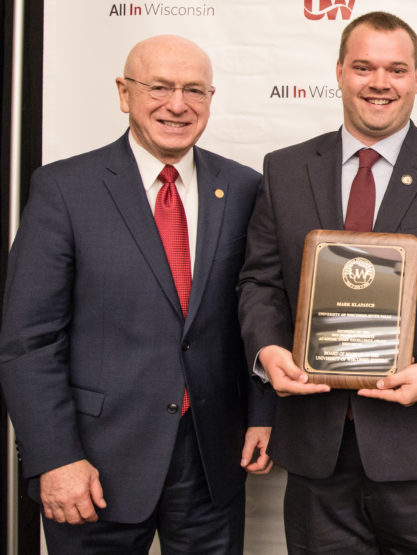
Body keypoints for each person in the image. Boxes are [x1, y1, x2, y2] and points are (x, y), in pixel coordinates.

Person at [237, 10, 417, 554]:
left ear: (416, 78)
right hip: (318, 451)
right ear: (339, 71)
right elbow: (260, 284)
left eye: (396, 69)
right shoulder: (285, 169)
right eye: (363, 67)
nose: (379, 83)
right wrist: (268, 351)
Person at [0, 34, 275, 554]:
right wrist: (55, 457)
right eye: (160, 87)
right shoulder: (64, 190)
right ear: (124, 93)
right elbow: (28, 342)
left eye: (194, 90)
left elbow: (258, 307)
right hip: (93, 466)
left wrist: (262, 413)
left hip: (212, 461)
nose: (178, 104)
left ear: (211, 99)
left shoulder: (244, 188)